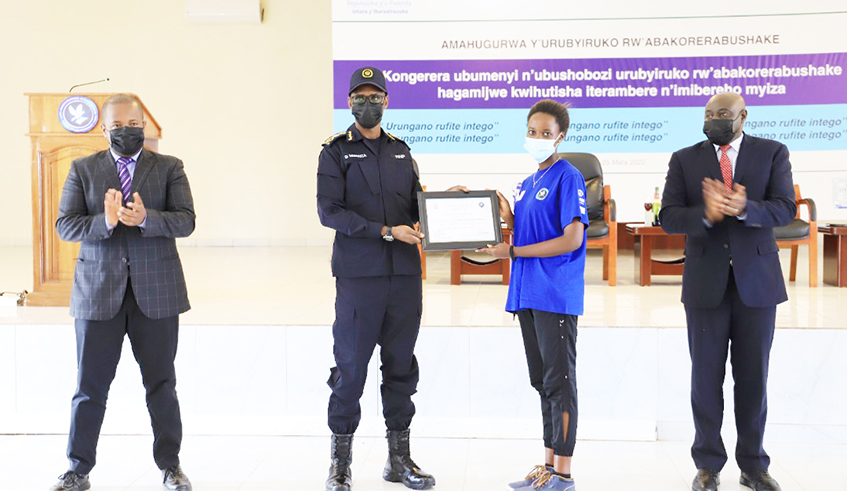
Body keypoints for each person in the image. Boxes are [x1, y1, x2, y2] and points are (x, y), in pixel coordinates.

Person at [52, 94, 196, 491]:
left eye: (133, 125)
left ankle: (171, 466)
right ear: (104, 129)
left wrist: (148, 218)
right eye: (117, 126)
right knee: (89, 388)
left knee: (162, 386)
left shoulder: (169, 167)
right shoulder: (82, 169)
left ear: (144, 126)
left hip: (157, 293)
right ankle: (77, 470)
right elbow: (65, 226)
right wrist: (106, 220)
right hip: (98, 294)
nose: (126, 131)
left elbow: (186, 221)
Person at [660, 92, 795, 491]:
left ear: (742, 116)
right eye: (708, 114)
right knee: (705, 380)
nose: (714, 119)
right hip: (706, 283)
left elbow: (785, 208)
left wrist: (745, 207)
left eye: (722, 114)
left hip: (758, 283)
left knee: (753, 379)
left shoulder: (772, 152)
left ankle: (753, 466)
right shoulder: (684, 159)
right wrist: (706, 213)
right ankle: (707, 465)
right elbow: (668, 217)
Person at [316, 67, 435, 491]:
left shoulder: (402, 151)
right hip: (359, 277)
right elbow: (329, 212)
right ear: (349, 102)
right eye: (360, 97)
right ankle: (340, 464)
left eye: (375, 96)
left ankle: (399, 461)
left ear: (387, 100)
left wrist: (444, 206)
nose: (368, 103)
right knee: (350, 370)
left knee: (401, 368)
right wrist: (385, 231)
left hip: (403, 277)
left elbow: (416, 208)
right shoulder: (335, 153)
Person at [478, 99, 588, 491]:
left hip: (554, 293)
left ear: (560, 136)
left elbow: (571, 238)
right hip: (527, 293)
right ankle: (547, 466)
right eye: (531, 131)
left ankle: (564, 474)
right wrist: (507, 215)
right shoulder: (527, 183)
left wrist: (512, 251)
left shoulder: (569, 176)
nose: (537, 138)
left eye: (545, 132)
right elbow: (527, 230)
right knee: (543, 382)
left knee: (561, 384)